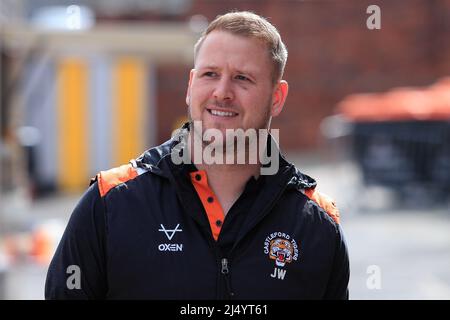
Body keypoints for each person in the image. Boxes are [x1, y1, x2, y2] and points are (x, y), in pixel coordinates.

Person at [45, 11, 349, 300]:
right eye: (210, 74)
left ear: (277, 98)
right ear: (191, 86)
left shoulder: (316, 225)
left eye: (243, 78)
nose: (222, 92)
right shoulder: (110, 203)